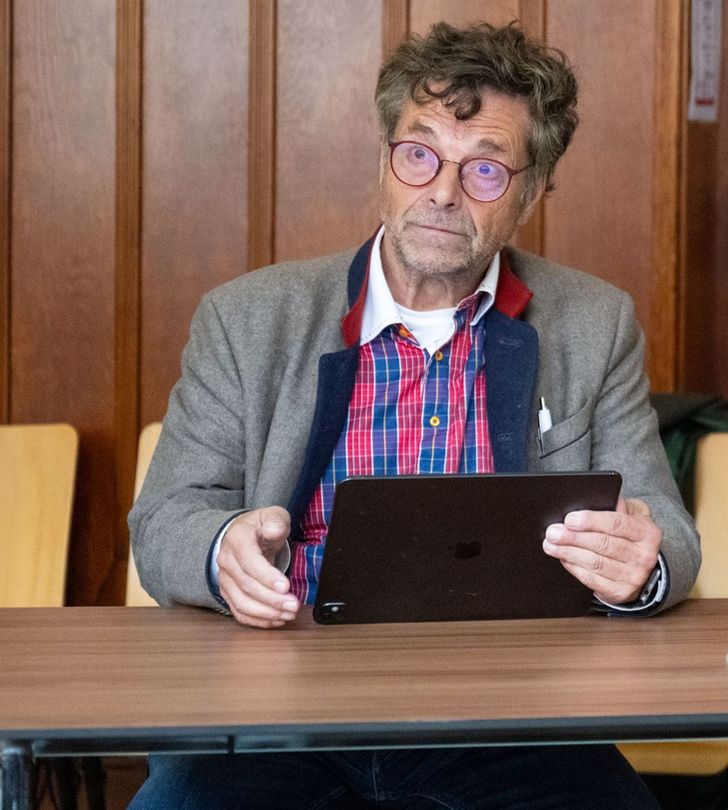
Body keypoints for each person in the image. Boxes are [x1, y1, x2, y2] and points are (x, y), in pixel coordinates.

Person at [128, 21, 696, 809]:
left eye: (486, 170)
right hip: (276, 711)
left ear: (531, 193)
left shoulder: (593, 323)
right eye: (419, 154)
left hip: (511, 719)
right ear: (386, 164)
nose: (441, 191)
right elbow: (163, 519)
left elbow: (665, 525)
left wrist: (642, 568)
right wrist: (221, 547)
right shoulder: (248, 317)